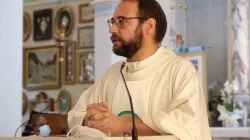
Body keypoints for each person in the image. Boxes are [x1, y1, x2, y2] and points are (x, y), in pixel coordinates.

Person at [68, 0, 212, 139]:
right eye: (112, 22)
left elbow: (188, 126)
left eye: (121, 21)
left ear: (149, 26)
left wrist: (122, 124)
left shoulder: (179, 70)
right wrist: (91, 119)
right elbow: (77, 114)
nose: (112, 29)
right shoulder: (112, 74)